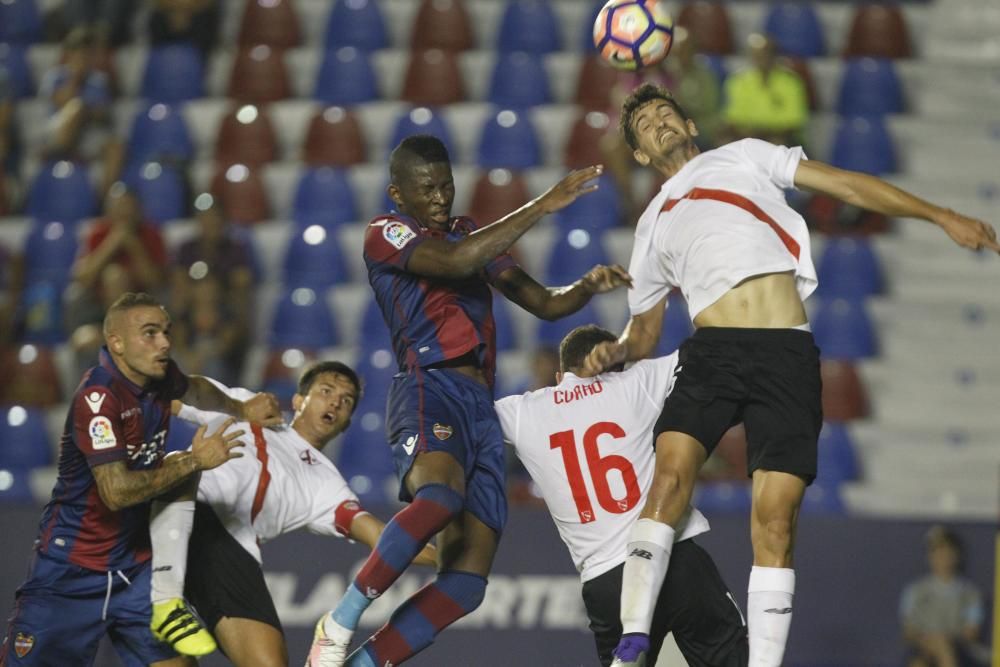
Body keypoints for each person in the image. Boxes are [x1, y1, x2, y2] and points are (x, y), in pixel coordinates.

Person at [580, 83, 999, 667]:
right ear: (643, 155)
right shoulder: (652, 224)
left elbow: (848, 184)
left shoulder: (745, 156)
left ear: (690, 125)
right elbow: (644, 333)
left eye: (665, 112)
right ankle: (632, 640)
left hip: (786, 353)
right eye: (645, 124)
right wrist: (614, 350)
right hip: (713, 352)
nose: (658, 122)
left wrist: (939, 214)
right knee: (669, 481)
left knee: (775, 522)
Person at [309, 134, 631, 667]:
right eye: (427, 188)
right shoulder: (386, 233)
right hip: (428, 387)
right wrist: (542, 204)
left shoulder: (471, 236)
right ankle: (340, 619)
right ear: (398, 193)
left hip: (481, 407)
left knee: (465, 585)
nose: (440, 197)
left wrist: (586, 288)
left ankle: (365, 663)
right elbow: (457, 263)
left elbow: (545, 304)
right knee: (438, 499)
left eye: (447, 185)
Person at [0, 292, 281, 666]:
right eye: (150, 333)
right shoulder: (98, 399)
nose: (164, 342)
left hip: (134, 571)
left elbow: (195, 388)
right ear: (116, 342)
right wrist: (194, 461)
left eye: (166, 331)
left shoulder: (160, 378)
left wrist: (241, 408)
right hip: (71, 572)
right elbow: (115, 492)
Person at [154, 361, 436, 667]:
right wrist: (237, 406)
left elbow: (381, 536)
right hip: (184, 507)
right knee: (177, 463)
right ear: (299, 401)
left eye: (346, 401)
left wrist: (448, 559)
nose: (335, 402)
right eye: (326, 391)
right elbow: (174, 393)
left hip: (232, 547)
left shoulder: (328, 484)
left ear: (346, 423)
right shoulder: (244, 404)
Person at [495, 325, 748, 666]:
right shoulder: (636, 383)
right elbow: (708, 350)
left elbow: (458, 414)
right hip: (674, 560)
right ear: (614, 363)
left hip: (606, 583)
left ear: (560, 375)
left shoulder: (523, 413)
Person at [40, 27, 123, 194]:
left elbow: (102, 112)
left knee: (116, 147)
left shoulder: (99, 79)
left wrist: (86, 110)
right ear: (69, 55)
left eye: (87, 54)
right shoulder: (55, 77)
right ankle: (57, 155)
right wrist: (75, 78)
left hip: (89, 133)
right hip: (58, 128)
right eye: (78, 54)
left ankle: (105, 199)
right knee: (76, 107)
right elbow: (61, 102)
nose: (83, 59)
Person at [900, 526, 990, 667]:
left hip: (961, 649)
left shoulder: (971, 594)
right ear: (929, 556)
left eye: (948, 551)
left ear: (957, 555)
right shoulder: (915, 591)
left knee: (944, 649)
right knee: (919, 663)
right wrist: (931, 641)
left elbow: (971, 633)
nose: (943, 557)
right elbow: (909, 631)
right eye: (937, 551)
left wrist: (945, 640)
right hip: (923, 648)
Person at [722, 33, 809, 147]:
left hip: (779, 136)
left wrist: (763, 133)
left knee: (777, 143)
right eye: (757, 55)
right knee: (724, 140)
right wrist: (750, 133)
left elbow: (794, 121)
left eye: (765, 53)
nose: (761, 58)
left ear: (774, 55)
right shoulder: (738, 81)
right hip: (746, 136)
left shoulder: (790, 82)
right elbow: (733, 118)